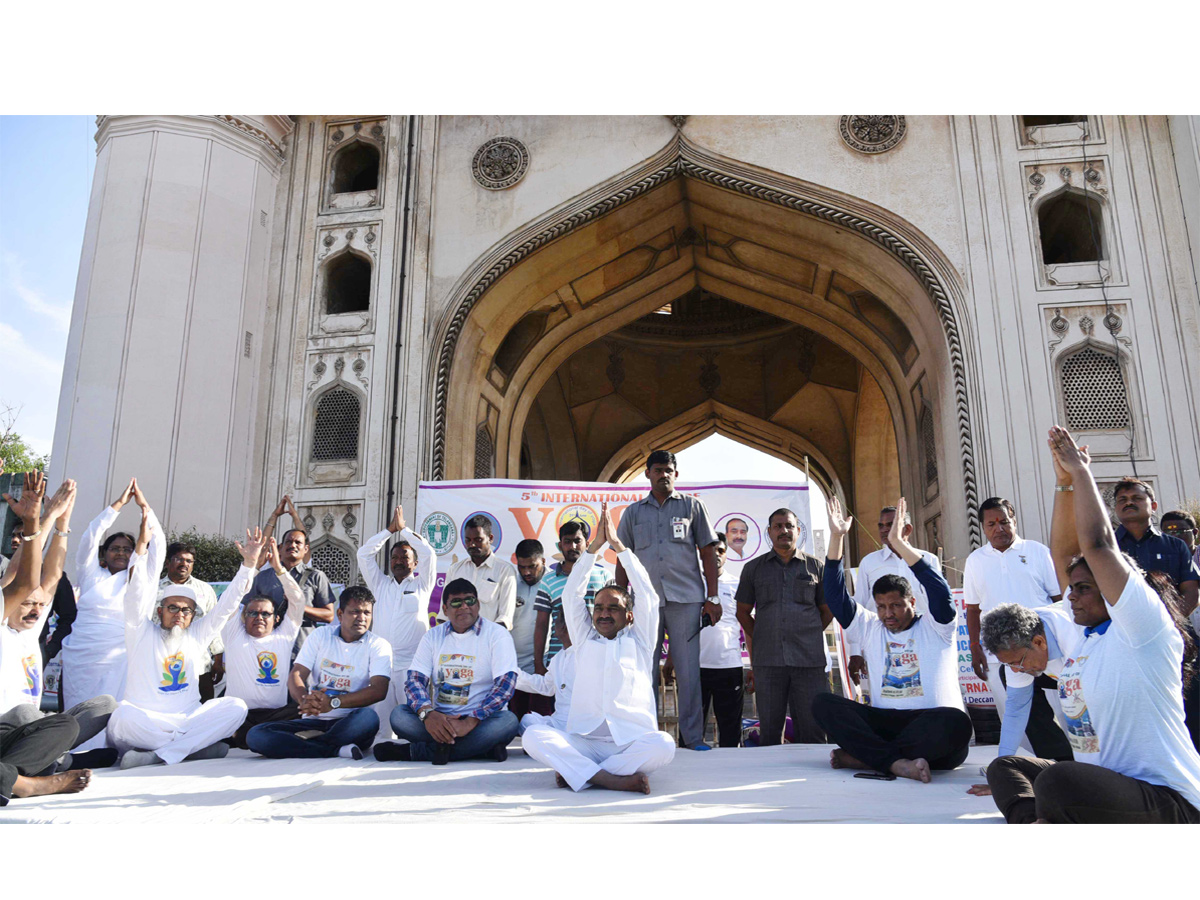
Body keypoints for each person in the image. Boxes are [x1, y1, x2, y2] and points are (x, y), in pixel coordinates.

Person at [983, 426, 1200, 823]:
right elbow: (1064, 552)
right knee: (1007, 768)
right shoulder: (1085, 636)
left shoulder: (1141, 627)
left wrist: (1082, 473)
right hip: (1108, 786)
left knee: (1058, 782)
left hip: (1167, 801)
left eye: (1083, 588)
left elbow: (1097, 546)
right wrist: (1063, 485)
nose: (1071, 596)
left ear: (1116, 590)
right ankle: (1037, 826)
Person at [814, 496, 971, 782]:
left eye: (896, 605)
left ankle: (869, 757)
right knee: (823, 703)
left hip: (929, 724)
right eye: (882, 607)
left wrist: (900, 545)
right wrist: (836, 539)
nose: (889, 614)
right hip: (886, 722)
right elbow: (836, 596)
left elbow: (939, 592)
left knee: (956, 723)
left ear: (912, 601)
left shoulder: (937, 628)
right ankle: (897, 763)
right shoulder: (871, 627)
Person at [523, 504, 676, 793]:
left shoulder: (640, 642)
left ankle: (582, 775)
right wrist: (592, 549)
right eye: (600, 608)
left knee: (664, 745)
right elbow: (571, 594)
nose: (604, 614)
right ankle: (610, 778)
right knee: (534, 736)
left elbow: (647, 595)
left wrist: (619, 547)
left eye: (614, 608)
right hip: (585, 742)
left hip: (629, 741)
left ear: (629, 616)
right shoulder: (584, 641)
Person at [107, 525, 263, 769]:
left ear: (193, 615)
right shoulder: (140, 632)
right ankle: (190, 749)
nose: (179, 614)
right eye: (173, 608)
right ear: (160, 611)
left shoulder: (197, 635)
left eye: (186, 610)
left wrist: (248, 565)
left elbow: (227, 605)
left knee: (236, 707)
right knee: (121, 719)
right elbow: (135, 593)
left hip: (186, 720)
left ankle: (159, 755)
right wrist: (140, 548)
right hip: (146, 720)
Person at [2, 478, 117, 769]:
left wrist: (63, 523)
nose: (37, 611)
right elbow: (20, 576)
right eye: (28, 604)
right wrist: (44, 517)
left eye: (42, 606)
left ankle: (50, 758)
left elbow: (51, 576)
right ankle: (54, 762)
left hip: (34, 729)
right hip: (7, 727)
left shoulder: (31, 630)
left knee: (103, 706)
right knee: (26, 716)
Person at [615, 449, 721, 751]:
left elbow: (708, 553)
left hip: (686, 600)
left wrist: (712, 596)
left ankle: (692, 738)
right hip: (645, 603)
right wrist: (621, 600)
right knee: (643, 671)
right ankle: (647, 735)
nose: (664, 475)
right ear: (648, 474)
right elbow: (623, 559)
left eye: (669, 470)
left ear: (676, 474)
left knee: (688, 673)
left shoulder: (693, 507)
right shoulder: (633, 513)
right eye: (658, 470)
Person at [963, 496, 1066, 758]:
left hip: (1049, 648)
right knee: (1024, 715)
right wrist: (976, 648)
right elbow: (973, 609)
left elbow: (1058, 599)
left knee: (1068, 709)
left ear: (1014, 521)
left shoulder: (1037, 551)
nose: (999, 528)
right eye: (991, 524)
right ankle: (1047, 763)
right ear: (983, 528)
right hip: (1009, 654)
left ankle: (1081, 763)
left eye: (1004, 521)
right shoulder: (975, 560)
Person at [374, 578, 519, 764]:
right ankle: (481, 749)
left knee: (508, 721)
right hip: (438, 719)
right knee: (399, 716)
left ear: (478, 604)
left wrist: (470, 721)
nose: (464, 607)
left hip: (481, 721)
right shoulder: (433, 636)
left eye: (470, 600)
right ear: (445, 609)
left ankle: (415, 752)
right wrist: (428, 715)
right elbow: (414, 681)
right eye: (456, 602)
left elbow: (505, 686)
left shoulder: (497, 635)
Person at [246, 585, 391, 760]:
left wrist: (334, 703)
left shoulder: (378, 645)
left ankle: (311, 744)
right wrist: (304, 700)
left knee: (369, 718)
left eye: (367, 613)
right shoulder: (320, 635)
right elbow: (297, 674)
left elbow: (379, 690)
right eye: (355, 612)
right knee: (256, 735)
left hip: (350, 723)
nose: (361, 618)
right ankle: (334, 749)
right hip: (313, 720)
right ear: (340, 614)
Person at [60, 477, 166, 715]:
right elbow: (89, 537)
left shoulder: (144, 577)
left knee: (114, 709)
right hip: (82, 655)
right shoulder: (91, 575)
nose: (120, 552)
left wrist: (144, 508)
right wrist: (117, 505)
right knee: (78, 711)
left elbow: (159, 546)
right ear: (104, 554)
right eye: (114, 548)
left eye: (127, 548)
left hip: (121, 654)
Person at [735, 508, 832, 745]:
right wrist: (762, 636)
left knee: (813, 728)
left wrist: (807, 632)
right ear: (769, 532)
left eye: (789, 526)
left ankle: (813, 782)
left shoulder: (816, 567)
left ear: (798, 531)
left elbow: (827, 609)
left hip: (809, 661)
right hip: (768, 662)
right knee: (769, 731)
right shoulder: (753, 569)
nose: (784, 531)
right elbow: (743, 611)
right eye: (777, 526)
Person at [356, 504, 436, 739]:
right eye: (395, 557)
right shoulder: (380, 585)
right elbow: (364, 554)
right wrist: (389, 531)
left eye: (405, 557)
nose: (399, 561)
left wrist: (405, 531)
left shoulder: (422, 585)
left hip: (412, 666)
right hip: (383, 666)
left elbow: (430, 553)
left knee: (413, 723)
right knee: (381, 727)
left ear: (415, 563)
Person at [221, 538, 308, 749]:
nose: (259, 617)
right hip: (240, 715)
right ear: (244, 616)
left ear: (276, 618)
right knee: (218, 715)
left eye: (265, 613)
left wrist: (279, 569)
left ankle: (257, 739)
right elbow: (228, 600)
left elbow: (298, 601)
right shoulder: (233, 634)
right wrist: (250, 567)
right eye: (252, 613)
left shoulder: (284, 636)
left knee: (303, 712)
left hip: (275, 715)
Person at [847, 505, 942, 688]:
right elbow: (858, 609)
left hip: (921, 641)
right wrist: (855, 651)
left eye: (890, 525)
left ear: (907, 529)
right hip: (881, 642)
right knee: (888, 697)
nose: (884, 530)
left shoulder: (927, 560)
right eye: (881, 525)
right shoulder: (869, 562)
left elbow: (936, 605)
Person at [979, 603, 1083, 762]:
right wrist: (1003, 767)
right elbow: (1016, 709)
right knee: (1009, 678)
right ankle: (1059, 758)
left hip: (1107, 676)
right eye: (1009, 664)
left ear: (1039, 642)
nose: (1015, 670)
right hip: (1065, 670)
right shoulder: (1020, 647)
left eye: (1016, 662)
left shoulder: (1075, 638)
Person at [669, 532, 743, 747]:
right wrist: (673, 656)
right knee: (690, 734)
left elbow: (747, 628)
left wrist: (755, 665)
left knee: (730, 732)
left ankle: (730, 778)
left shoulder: (737, 584)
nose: (717, 555)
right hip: (694, 667)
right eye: (712, 551)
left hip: (728, 666)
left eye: (721, 551)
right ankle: (689, 777)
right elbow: (677, 625)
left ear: (727, 554)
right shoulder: (689, 584)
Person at [532, 520, 607, 676]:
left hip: (596, 656)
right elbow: (541, 625)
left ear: (587, 544)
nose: (572, 546)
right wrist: (538, 663)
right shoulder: (548, 580)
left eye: (577, 541)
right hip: (559, 658)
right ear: (560, 546)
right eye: (567, 542)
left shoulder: (603, 576)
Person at [1113, 481, 1199, 615]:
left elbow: (1191, 592)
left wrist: (1169, 622)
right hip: (1118, 630)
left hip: (1170, 627)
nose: (1129, 503)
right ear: (1116, 508)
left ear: (1153, 506)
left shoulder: (1176, 546)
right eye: (1122, 499)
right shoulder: (1105, 547)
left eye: (1137, 498)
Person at [251, 526, 335, 655]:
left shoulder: (316, 576)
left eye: (298, 542)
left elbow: (329, 615)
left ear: (306, 549)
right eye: (288, 542)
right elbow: (247, 610)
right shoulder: (262, 577)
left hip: (302, 648)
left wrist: (299, 605)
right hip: (269, 647)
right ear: (280, 548)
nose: (293, 545)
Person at [158, 542, 223, 702]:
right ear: (167, 562)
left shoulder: (204, 590)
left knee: (202, 711)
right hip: (160, 663)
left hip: (199, 665)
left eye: (189, 561)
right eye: (179, 559)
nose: (184, 564)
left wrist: (218, 659)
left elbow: (214, 625)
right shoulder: (154, 589)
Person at [445, 515, 517, 629]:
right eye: (468, 540)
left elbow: (505, 617)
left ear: (490, 538)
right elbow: (444, 613)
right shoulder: (455, 570)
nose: (472, 545)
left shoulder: (505, 571)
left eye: (478, 540)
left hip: (489, 641)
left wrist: (485, 637)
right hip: (457, 641)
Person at [510, 538, 552, 718]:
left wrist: (540, 664)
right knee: (513, 722)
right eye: (521, 566)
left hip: (544, 668)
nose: (526, 572)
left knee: (540, 723)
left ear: (543, 561)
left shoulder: (553, 581)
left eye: (532, 566)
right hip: (514, 668)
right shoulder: (510, 581)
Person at [516, 613, 576, 733]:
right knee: (528, 721)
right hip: (558, 722)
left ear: (563, 627)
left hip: (582, 725)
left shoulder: (588, 654)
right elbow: (546, 686)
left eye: (556, 621)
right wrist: (512, 674)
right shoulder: (558, 658)